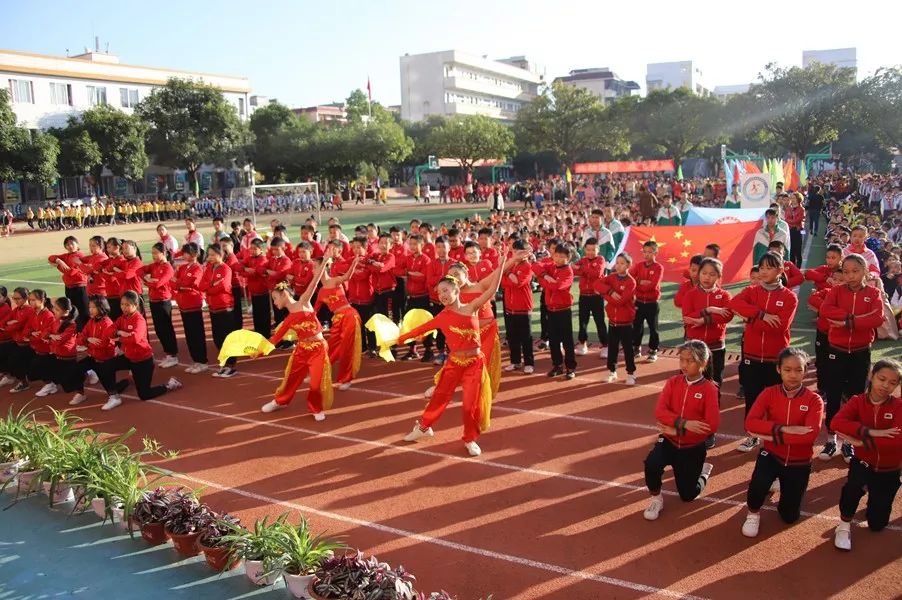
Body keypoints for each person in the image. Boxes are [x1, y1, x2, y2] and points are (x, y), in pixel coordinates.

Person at [398, 252, 522, 457]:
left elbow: (493, 289)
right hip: (454, 363)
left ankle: (470, 438)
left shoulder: (472, 307)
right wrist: (398, 338)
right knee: (439, 398)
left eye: (446, 290)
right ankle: (423, 427)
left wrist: (501, 266)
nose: (443, 295)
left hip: (474, 364)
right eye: (439, 293)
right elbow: (419, 330)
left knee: (469, 405)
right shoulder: (442, 316)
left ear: (457, 290)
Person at [740, 348, 824, 538]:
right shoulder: (769, 393)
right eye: (787, 369)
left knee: (789, 516)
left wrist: (768, 434)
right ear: (778, 370)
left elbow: (809, 436)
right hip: (770, 455)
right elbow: (750, 423)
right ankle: (753, 513)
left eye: (798, 370)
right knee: (757, 487)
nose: (793, 375)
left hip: (799, 462)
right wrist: (783, 429)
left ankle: (779, 483)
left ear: (806, 371)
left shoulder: (814, 400)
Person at [817, 253, 885, 462]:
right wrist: (855, 318)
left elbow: (877, 318)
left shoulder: (873, 293)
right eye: (845, 271)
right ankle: (831, 440)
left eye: (855, 271)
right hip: (836, 351)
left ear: (865, 272)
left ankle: (849, 442)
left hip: (860, 351)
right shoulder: (836, 290)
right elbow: (826, 310)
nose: (850, 275)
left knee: (856, 397)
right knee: (834, 395)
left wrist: (848, 322)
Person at [643, 340, 719, 520]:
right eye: (681, 360)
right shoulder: (673, 382)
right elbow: (660, 412)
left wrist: (677, 431)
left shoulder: (710, 389)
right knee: (652, 464)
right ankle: (656, 499)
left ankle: (704, 472)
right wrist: (683, 423)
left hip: (691, 447)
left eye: (689, 361)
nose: (684, 365)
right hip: (668, 441)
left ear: (703, 363)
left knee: (688, 495)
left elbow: (711, 425)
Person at [730, 252, 798, 453]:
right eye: (762, 268)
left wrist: (749, 318)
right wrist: (761, 314)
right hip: (751, 355)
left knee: (777, 402)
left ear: (780, 271)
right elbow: (734, 304)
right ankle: (752, 436)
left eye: (769, 267)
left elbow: (779, 326)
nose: (764, 271)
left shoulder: (789, 297)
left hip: (775, 358)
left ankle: (774, 438)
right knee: (752, 397)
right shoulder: (752, 291)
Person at [831, 359, 902, 551]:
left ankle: (875, 501)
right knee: (852, 489)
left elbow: (897, 441)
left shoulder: (898, 406)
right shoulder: (857, 401)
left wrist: (863, 442)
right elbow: (836, 423)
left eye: (893, 383)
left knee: (877, 525)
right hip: (863, 462)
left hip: (890, 468)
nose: (886, 385)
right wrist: (869, 431)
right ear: (871, 375)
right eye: (882, 379)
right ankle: (844, 525)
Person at [259, 259, 331, 418]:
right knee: (291, 379)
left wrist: (324, 261)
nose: (275, 303)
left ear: (284, 294)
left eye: (275, 299)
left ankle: (316, 408)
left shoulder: (304, 302)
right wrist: (259, 351)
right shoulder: (288, 320)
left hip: (318, 349)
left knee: (315, 384)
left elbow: (314, 282)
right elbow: (275, 338)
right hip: (301, 350)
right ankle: (279, 401)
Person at [98, 291, 182, 410]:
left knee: (144, 394)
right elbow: (108, 331)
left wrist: (119, 337)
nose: (124, 307)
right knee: (105, 366)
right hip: (128, 357)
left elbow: (135, 339)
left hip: (143, 361)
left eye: (127, 305)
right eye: (122, 304)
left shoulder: (139, 320)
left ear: (135, 305)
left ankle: (169, 385)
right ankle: (115, 393)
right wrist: (120, 332)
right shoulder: (122, 318)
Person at [681, 257, 734, 448]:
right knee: (687, 386)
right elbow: (687, 318)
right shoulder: (690, 294)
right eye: (704, 273)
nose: (706, 277)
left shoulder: (725, 296)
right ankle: (686, 424)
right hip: (693, 348)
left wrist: (704, 320)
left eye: (712, 274)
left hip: (715, 348)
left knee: (713, 388)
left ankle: (709, 430)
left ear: (719, 277)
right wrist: (709, 310)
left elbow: (727, 315)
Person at [315, 248, 362, 391]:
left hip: (349, 316)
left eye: (313, 267)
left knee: (347, 349)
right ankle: (320, 372)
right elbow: (314, 312)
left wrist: (354, 263)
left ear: (323, 267)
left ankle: (346, 379)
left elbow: (347, 277)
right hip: (337, 320)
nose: (311, 270)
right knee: (329, 346)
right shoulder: (321, 291)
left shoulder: (334, 280)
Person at [532, 243, 576, 380]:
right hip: (550, 309)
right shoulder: (550, 266)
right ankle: (557, 365)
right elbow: (535, 266)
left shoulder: (568, 271)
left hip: (563, 310)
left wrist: (543, 280)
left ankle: (570, 367)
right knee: (554, 340)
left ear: (568, 258)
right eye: (556, 255)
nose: (558, 258)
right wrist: (545, 276)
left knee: (567, 340)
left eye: (562, 256)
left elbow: (559, 286)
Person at [596, 253, 637, 385]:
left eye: (622, 263)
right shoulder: (612, 277)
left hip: (626, 323)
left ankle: (631, 373)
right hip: (613, 321)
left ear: (628, 265)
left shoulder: (631, 282)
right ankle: (612, 372)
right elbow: (597, 284)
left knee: (628, 349)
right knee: (612, 348)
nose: (618, 266)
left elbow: (621, 301)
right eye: (617, 263)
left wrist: (604, 295)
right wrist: (609, 291)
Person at [68, 296, 116, 406]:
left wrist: (86, 343)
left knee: (108, 382)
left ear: (101, 307)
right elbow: (79, 339)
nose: (90, 309)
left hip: (105, 359)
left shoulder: (107, 323)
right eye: (90, 307)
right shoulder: (91, 321)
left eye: (93, 307)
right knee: (76, 369)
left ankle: (114, 397)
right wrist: (88, 339)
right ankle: (80, 393)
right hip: (92, 357)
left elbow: (102, 344)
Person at [140, 243, 179, 369]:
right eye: (152, 253)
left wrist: (147, 282)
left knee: (166, 328)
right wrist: (148, 279)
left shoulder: (168, 268)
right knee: (159, 329)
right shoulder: (154, 266)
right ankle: (168, 354)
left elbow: (159, 284)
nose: (154, 256)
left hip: (163, 301)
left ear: (164, 253)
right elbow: (139, 271)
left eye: (156, 253)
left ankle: (172, 355)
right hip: (153, 300)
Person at [501, 239, 535, 374]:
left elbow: (518, 283)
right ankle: (515, 361)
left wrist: (508, 273)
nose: (516, 254)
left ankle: (529, 362)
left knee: (526, 337)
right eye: (514, 251)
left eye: (520, 252)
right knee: (512, 337)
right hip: (510, 307)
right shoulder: (511, 265)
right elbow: (504, 283)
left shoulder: (527, 266)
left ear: (526, 253)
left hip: (523, 307)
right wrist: (509, 275)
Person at [573, 238, 607, 358]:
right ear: (584, 250)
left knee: (600, 322)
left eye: (593, 249)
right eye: (588, 250)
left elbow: (596, 274)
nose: (591, 252)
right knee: (583, 321)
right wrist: (583, 270)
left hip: (596, 296)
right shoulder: (582, 260)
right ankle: (582, 344)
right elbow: (574, 270)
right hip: (584, 296)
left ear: (598, 249)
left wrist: (582, 269)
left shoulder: (601, 259)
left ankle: (605, 346)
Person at [631, 241, 664, 362]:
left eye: (650, 252)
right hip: (638, 302)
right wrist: (640, 282)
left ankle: (653, 350)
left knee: (653, 328)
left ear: (656, 253)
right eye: (645, 252)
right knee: (637, 326)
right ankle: (636, 347)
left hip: (652, 303)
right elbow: (631, 279)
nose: (647, 255)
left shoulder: (658, 267)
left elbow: (653, 285)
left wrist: (639, 282)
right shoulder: (639, 265)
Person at [48, 236, 89, 330]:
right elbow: (51, 257)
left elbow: (71, 272)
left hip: (80, 287)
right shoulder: (66, 256)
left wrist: (58, 266)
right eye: (67, 244)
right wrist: (59, 261)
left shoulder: (79, 256)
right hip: (69, 287)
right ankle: (77, 332)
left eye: (72, 243)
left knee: (83, 311)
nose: (70, 246)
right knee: (73, 311)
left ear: (77, 244)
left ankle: (85, 332)